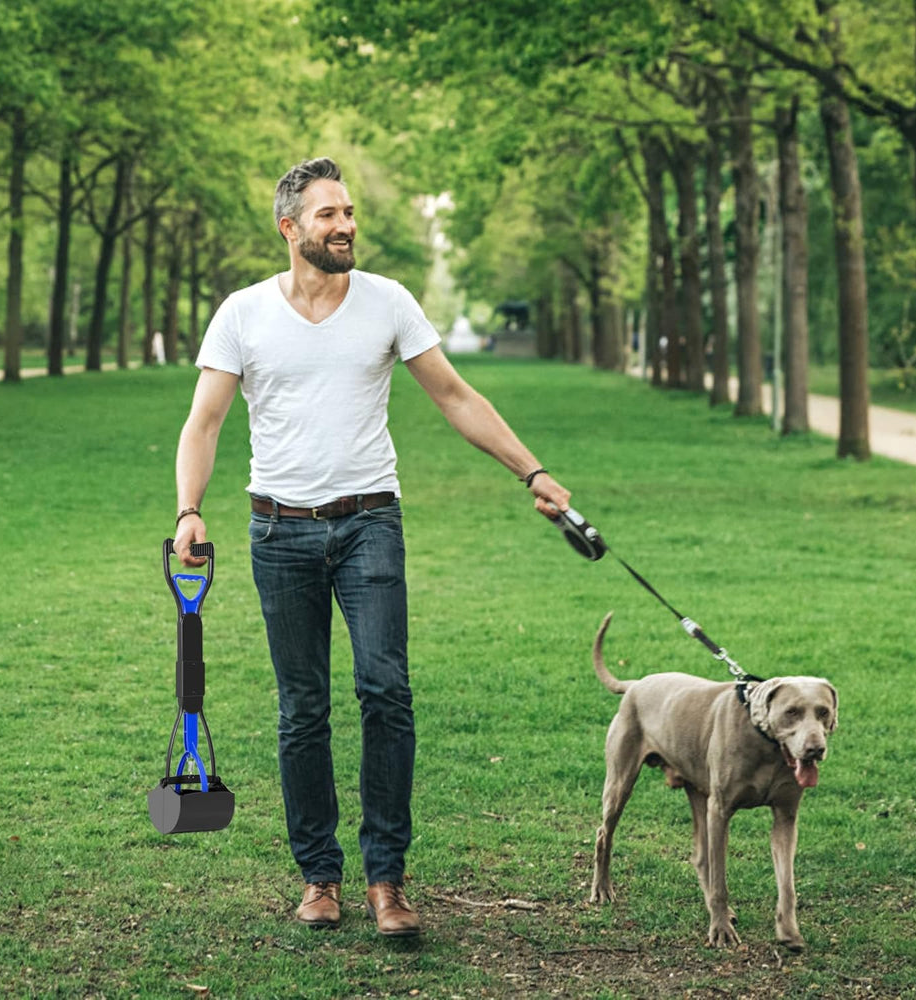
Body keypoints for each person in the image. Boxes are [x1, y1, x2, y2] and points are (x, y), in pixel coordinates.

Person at [172, 156, 571, 938]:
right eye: (328, 215)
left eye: (349, 212)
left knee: (387, 692)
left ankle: (387, 879)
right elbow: (205, 422)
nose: (346, 224)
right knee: (303, 709)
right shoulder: (243, 314)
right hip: (278, 529)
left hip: (369, 523)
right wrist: (188, 510)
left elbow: (454, 394)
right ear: (291, 229)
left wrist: (533, 470)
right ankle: (319, 877)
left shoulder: (388, 302)